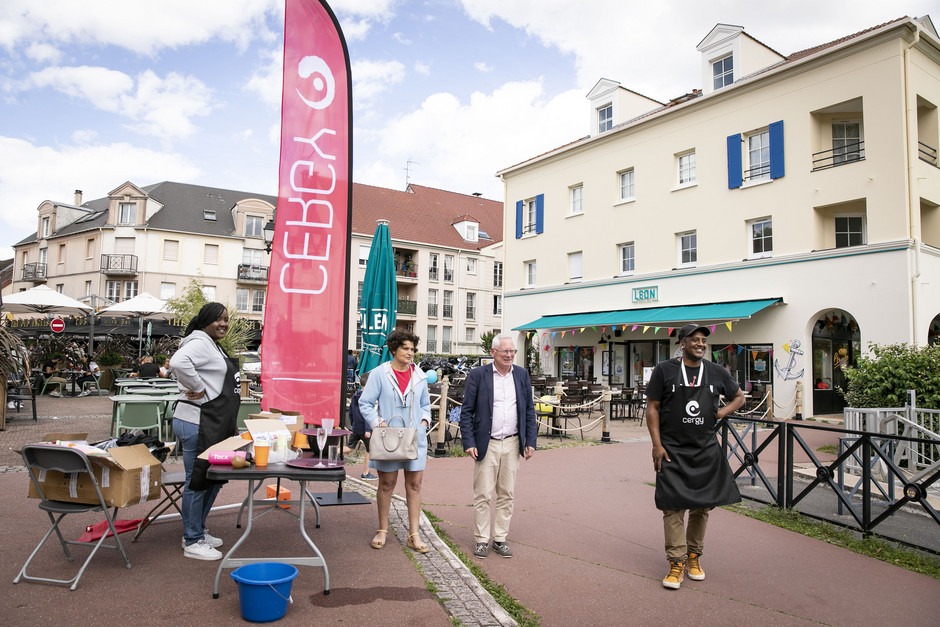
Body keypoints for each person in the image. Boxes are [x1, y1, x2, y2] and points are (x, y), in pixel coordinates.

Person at [645, 323, 745, 589]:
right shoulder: (664, 370)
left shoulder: (715, 371)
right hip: (672, 450)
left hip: (705, 449)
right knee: (672, 506)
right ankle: (675, 562)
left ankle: (693, 556)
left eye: (703, 340)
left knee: (702, 507)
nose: (701, 344)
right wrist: (657, 444)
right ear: (682, 343)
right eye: (695, 340)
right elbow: (652, 408)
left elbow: (738, 397)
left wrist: (721, 414)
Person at [170, 303, 241, 561]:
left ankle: (196, 529)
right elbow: (178, 362)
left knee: (212, 479)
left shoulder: (212, 344)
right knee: (198, 481)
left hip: (213, 423)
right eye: (218, 319)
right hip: (197, 422)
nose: (223, 324)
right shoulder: (199, 341)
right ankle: (192, 539)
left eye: (226, 320)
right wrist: (197, 387)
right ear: (206, 320)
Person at [459, 333, 538, 559]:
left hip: (513, 443)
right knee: (483, 494)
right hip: (488, 443)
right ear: (493, 352)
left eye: (512, 351)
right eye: (505, 351)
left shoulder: (521, 375)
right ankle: (482, 539)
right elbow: (466, 412)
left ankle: (500, 538)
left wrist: (530, 441)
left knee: (507, 494)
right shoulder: (478, 375)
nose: (510, 355)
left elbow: (529, 411)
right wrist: (469, 442)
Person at [358, 329, 432, 553]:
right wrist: (378, 423)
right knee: (387, 484)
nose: (410, 353)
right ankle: (382, 530)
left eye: (412, 349)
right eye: (405, 348)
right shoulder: (379, 374)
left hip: (414, 439)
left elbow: (426, 406)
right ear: (393, 349)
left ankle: (414, 534)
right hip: (388, 439)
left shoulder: (419, 376)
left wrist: (424, 423)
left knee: (415, 485)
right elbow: (365, 403)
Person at [344, 371, 376, 480]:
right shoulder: (367, 397)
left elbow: (351, 413)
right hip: (365, 429)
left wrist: (353, 424)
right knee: (369, 450)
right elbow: (366, 414)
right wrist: (368, 429)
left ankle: (331, 453)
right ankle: (366, 473)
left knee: (349, 447)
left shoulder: (354, 396)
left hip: (356, 427)